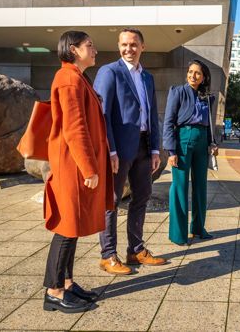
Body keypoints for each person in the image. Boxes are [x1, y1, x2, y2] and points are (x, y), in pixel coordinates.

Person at [43, 30, 113, 313]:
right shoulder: (69, 79)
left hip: (75, 163)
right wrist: (89, 166)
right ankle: (54, 290)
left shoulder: (77, 77)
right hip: (72, 165)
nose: (94, 50)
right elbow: (74, 128)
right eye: (89, 46)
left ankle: (67, 282)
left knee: (72, 227)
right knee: (67, 227)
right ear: (73, 49)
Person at [93, 28, 167, 275]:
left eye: (134, 44)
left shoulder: (147, 77)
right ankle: (108, 255)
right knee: (111, 200)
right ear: (118, 46)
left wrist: (156, 148)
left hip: (144, 146)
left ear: (142, 47)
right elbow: (101, 115)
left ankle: (135, 250)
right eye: (124, 44)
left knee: (142, 196)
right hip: (119, 149)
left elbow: (151, 113)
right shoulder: (109, 72)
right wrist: (110, 150)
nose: (129, 49)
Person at [163, 59, 218, 245]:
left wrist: (212, 142)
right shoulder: (177, 92)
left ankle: (198, 228)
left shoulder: (207, 97)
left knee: (201, 186)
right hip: (183, 138)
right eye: (190, 71)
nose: (193, 76)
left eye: (197, 73)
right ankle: (178, 234)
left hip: (202, 141)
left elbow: (209, 123)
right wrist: (171, 150)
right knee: (179, 187)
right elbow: (169, 121)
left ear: (203, 78)